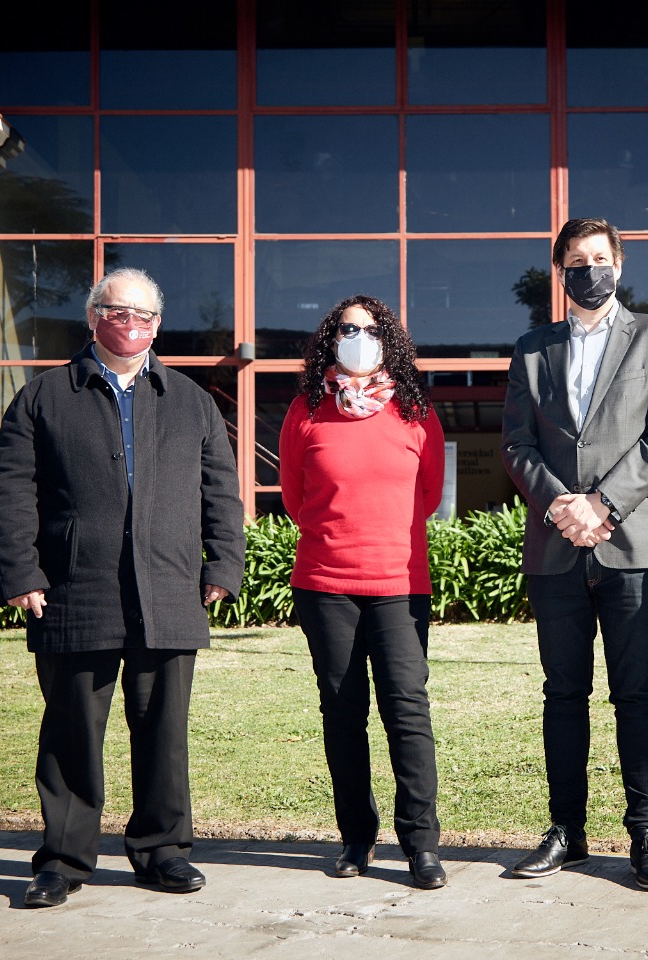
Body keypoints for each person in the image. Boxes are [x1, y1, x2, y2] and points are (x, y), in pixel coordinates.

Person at [0, 267, 246, 908]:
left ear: (158, 324)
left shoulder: (191, 400)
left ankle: (163, 851)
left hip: (168, 588)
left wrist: (223, 566)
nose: (130, 324)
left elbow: (221, 492)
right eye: (117, 311)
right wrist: (20, 572)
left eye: (143, 314)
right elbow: (12, 490)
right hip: (75, 590)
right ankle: (63, 860)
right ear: (93, 317)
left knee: (164, 733)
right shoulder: (43, 397)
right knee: (71, 731)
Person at [501, 218, 648, 890]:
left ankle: (646, 834)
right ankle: (567, 831)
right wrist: (562, 505)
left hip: (630, 545)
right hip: (556, 548)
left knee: (636, 694)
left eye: (600, 258)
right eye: (576, 262)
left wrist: (602, 505)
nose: (590, 271)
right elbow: (517, 444)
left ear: (620, 264)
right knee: (563, 694)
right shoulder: (532, 348)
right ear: (560, 272)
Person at [279, 294, 448, 890]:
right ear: (331, 338)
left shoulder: (415, 410)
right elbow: (295, 496)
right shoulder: (305, 410)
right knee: (342, 713)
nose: (358, 337)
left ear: (388, 340)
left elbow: (428, 495)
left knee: (407, 710)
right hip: (326, 585)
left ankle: (421, 843)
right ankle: (356, 836)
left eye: (370, 330)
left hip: (400, 583)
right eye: (347, 329)